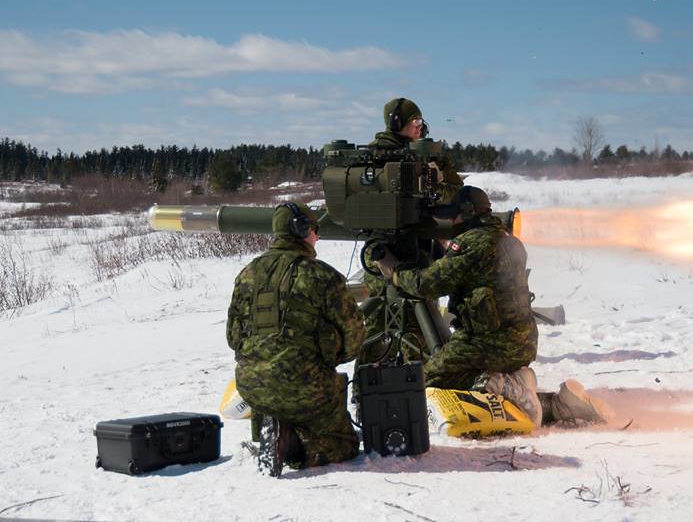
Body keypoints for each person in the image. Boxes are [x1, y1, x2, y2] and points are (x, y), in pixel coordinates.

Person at [374, 186, 610, 427]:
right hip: (522, 342)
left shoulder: (470, 244)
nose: (452, 221)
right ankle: (548, 402)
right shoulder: (509, 241)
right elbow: (472, 273)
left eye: (454, 215)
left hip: (486, 342)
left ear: (466, 213)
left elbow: (426, 284)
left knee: (427, 381)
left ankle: (504, 385)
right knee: (460, 377)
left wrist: (394, 269)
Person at [226, 201, 365, 477]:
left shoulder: (247, 274)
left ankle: (272, 427)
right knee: (345, 446)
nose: (318, 236)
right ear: (301, 230)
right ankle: (292, 444)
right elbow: (354, 336)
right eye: (314, 229)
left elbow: (233, 337)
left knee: (279, 399)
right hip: (308, 389)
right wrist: (332, 355)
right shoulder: (322, 275)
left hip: (252, 388)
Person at [358, 97, 465, 364]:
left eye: (420, 122)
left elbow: (456, 193)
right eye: (414, 122)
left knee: (398, 328)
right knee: (383, 330)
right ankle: (416, 384)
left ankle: (401, 382)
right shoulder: (373, 157)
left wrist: (436, 180)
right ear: (398, 124)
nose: (419, 126)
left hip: (405, 253)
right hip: (390, 258)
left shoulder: (427, 153)